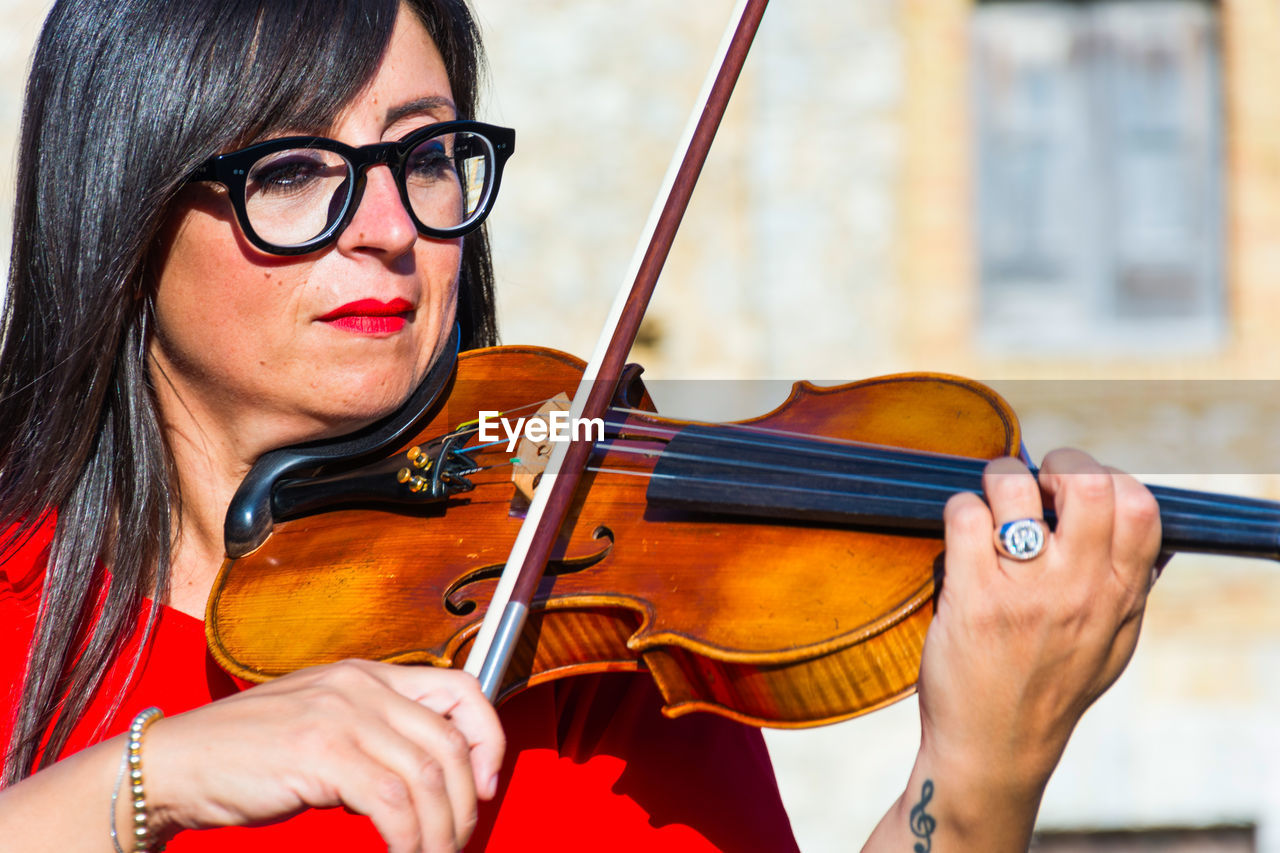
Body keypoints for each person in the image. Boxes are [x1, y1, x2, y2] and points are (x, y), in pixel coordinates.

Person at [0, 0, 1162, 851]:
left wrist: (975, 779)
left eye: (424, 154)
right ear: (123, 206)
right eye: (297, 168)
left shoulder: (576, 632)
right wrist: (149, 779)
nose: (390, 225)